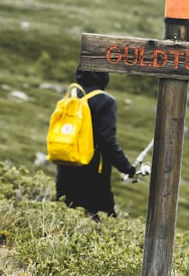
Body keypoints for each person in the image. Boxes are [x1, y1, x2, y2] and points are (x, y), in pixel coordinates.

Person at [55, 67, 136, 220]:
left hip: (66, 165)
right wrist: (126, 167)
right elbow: (107, 141)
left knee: (64, 215)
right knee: (103, 220)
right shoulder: (105, 101)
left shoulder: (70, 96)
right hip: (93, 172)